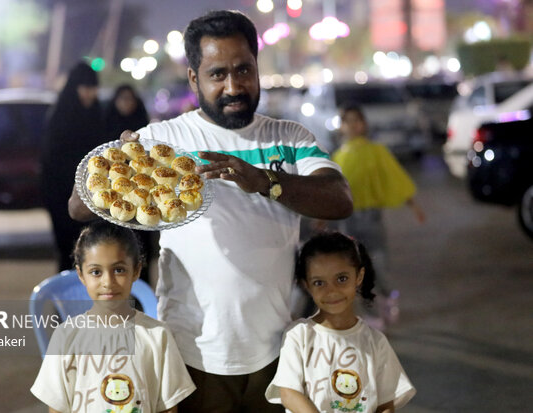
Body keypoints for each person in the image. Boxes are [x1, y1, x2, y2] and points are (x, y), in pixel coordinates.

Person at [69, 10, 353, 412]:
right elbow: (78, 208)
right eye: (218, 74)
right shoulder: (165, 141)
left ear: (257, 68)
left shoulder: (289, 138)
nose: (233, 86)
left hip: (276, 349)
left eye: (243, 70)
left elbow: (339, 197)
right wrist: (118, 164)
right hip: (191, 352)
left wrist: (267, 183)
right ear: (194, 78)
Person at [31, 221, 195, 413]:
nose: (108, 282)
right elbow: (57, 407)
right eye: (96, 272)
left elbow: (168, 407)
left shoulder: (157, 335)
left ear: (136, 270)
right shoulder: (66, 337)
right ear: (81, 275)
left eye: (118, 270)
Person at [265, 231, 416, 412]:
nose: (332, 291)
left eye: (341, 279)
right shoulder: (298, 335)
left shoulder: (376, 341)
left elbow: (385, 403)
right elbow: (289, 393)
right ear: (306, 285)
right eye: (319, 283)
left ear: (358, 277)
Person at [332, 104, 425, 328]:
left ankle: (387, 297)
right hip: (347, 222)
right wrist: (321, 217)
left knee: (379, 266)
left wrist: (413, 205)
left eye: (357, 120)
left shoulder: (376, 151)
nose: (353, 125)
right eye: (348, 121)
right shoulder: (337, 157)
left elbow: (395, 177)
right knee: (355, 269)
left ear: (363, 124)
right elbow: (332, 191)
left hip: (372, 219)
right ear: (341, 127)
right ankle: (371, 314)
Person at [41, 61, 107, 272]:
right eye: (85, 88)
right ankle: (65, 301)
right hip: (62, 195)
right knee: (68, 250)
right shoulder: (61, 116)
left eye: (93, 88)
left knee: (92, 252)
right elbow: (51, 159)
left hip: (92, 194)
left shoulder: (97, 114)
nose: (89, 93)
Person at [104, 84, 158, 284]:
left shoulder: (144, 132)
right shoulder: (106, 127)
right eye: (122, 99)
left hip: (143, 203)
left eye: (130, 99)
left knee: (139, 254)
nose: (126, 104)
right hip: (114, 204)